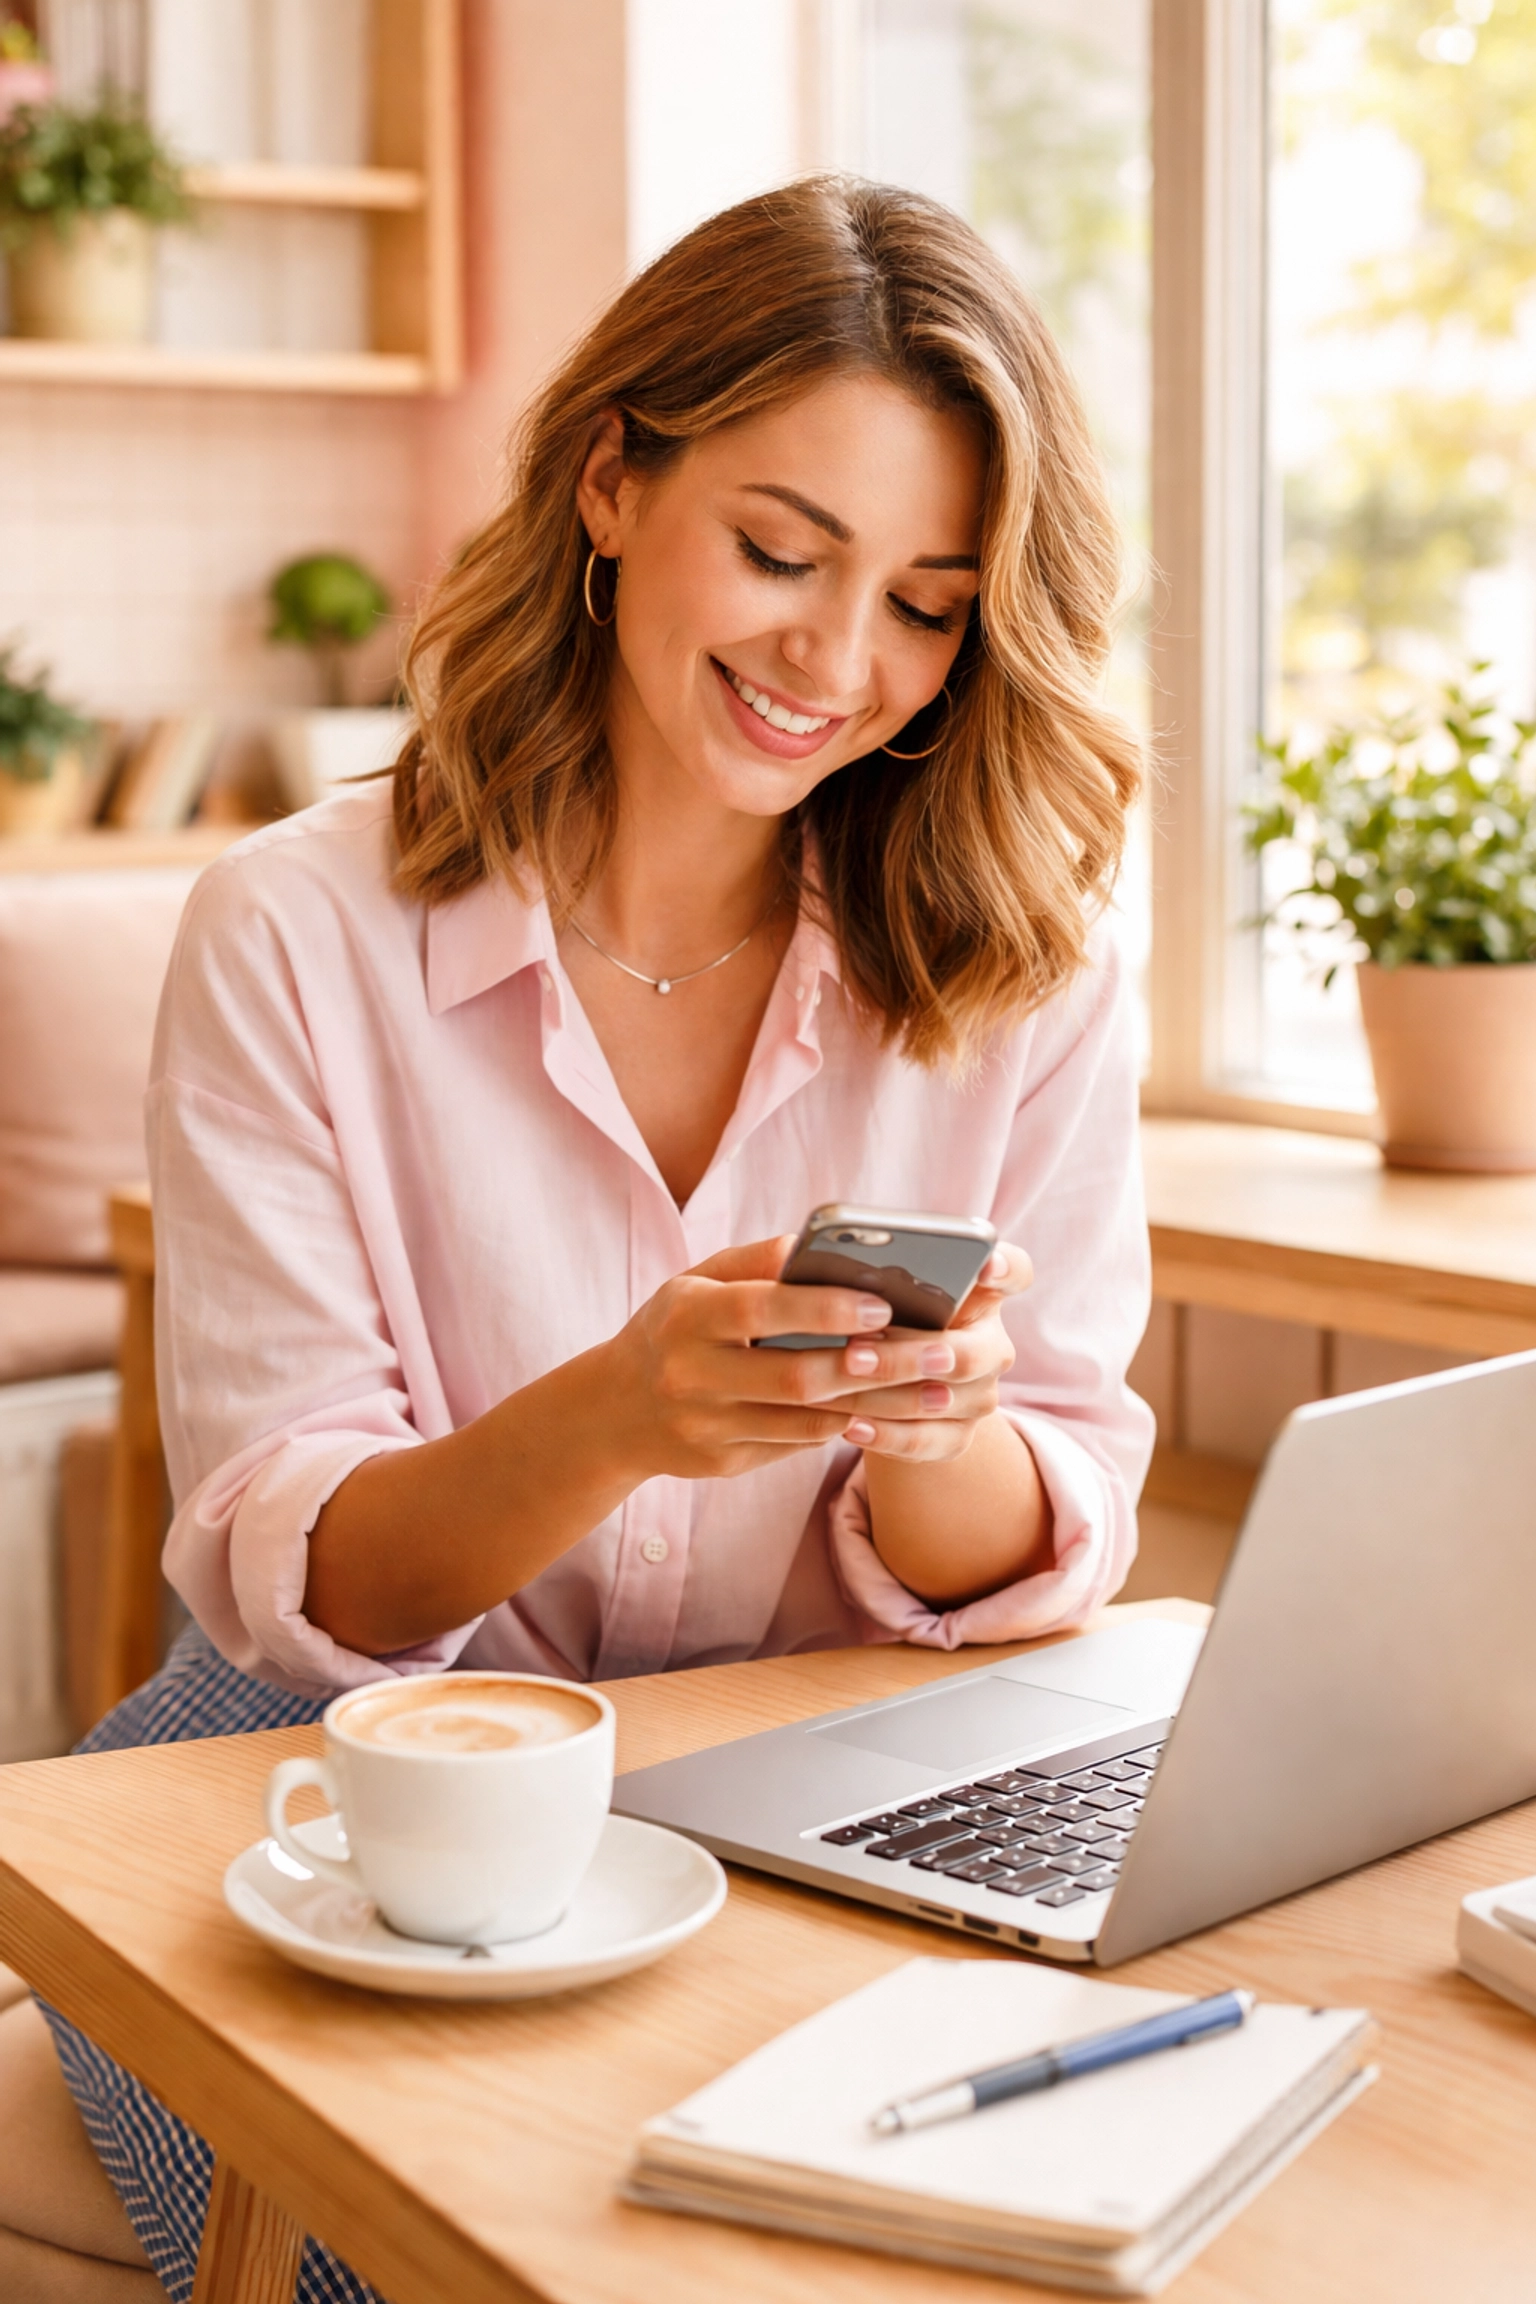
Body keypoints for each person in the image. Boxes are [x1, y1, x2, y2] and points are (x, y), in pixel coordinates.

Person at [0, 175, 1152, 2302]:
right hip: (299, 1778)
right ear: (615, 480)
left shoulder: (1027, 968)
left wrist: (933, 1426)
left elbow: (1055, 1519)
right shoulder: (297, 931)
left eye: (925, 600)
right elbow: (303, 1566)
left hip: (806, 1793)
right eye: (783, 553)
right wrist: (626, 1409)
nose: (836, 658)